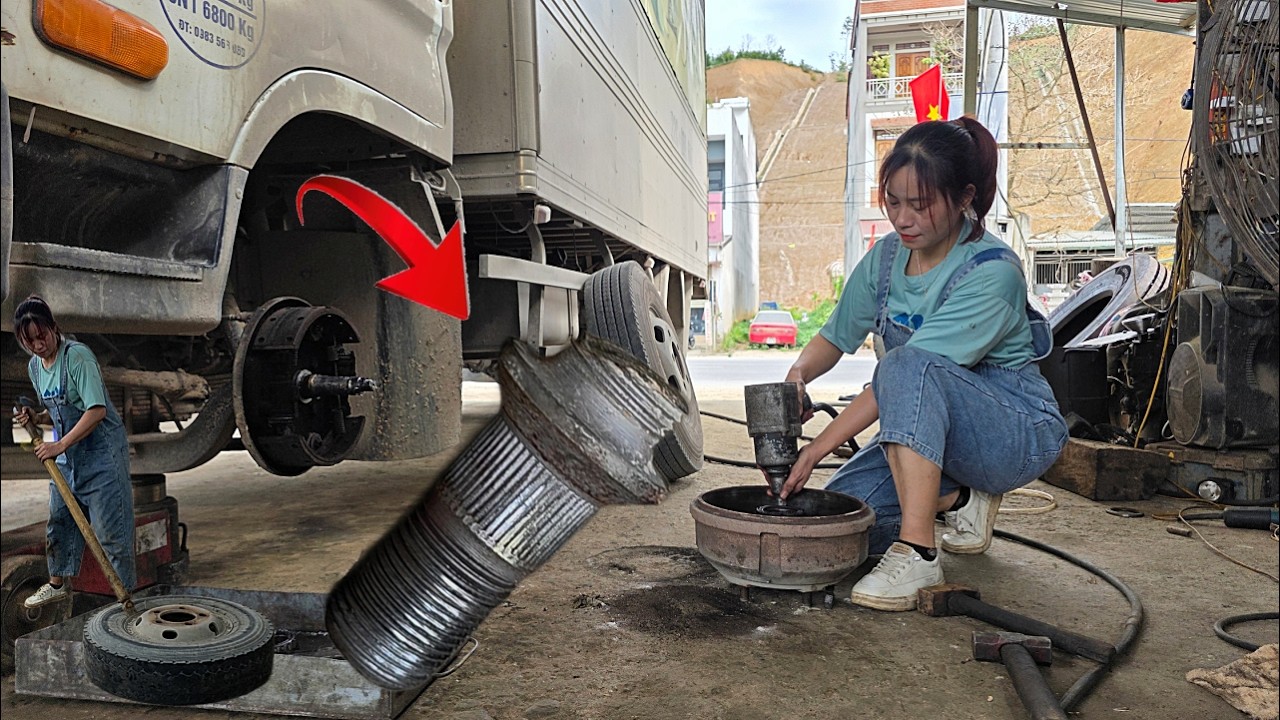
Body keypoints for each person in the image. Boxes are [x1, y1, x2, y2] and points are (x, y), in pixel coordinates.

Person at [779, 117, 1067, 611]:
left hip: (1012, 432)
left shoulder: (992, 273)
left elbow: (904, 375)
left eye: (921, 204)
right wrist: (797, 376)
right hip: (933, 431)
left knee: (903, 366)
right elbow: (835, 335)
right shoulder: (886, 258)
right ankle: (960, 501)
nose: (903, 219)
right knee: (841, 527)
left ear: (963, 198)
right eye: (894, 202)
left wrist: (816, 450)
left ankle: (918, 552)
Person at [12, 295, 136, 607]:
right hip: (68, 458)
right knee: (60, 521)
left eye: (42, 336)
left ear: (54, 328)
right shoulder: (35, 368)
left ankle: (125, 601)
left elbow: (95, 411)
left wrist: (59, 444)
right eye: (30, 341)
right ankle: (57, 585)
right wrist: (36, 419)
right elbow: (58, 410)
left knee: (111, 533)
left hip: (101, 455)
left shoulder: (78, 357)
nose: (39, 345)